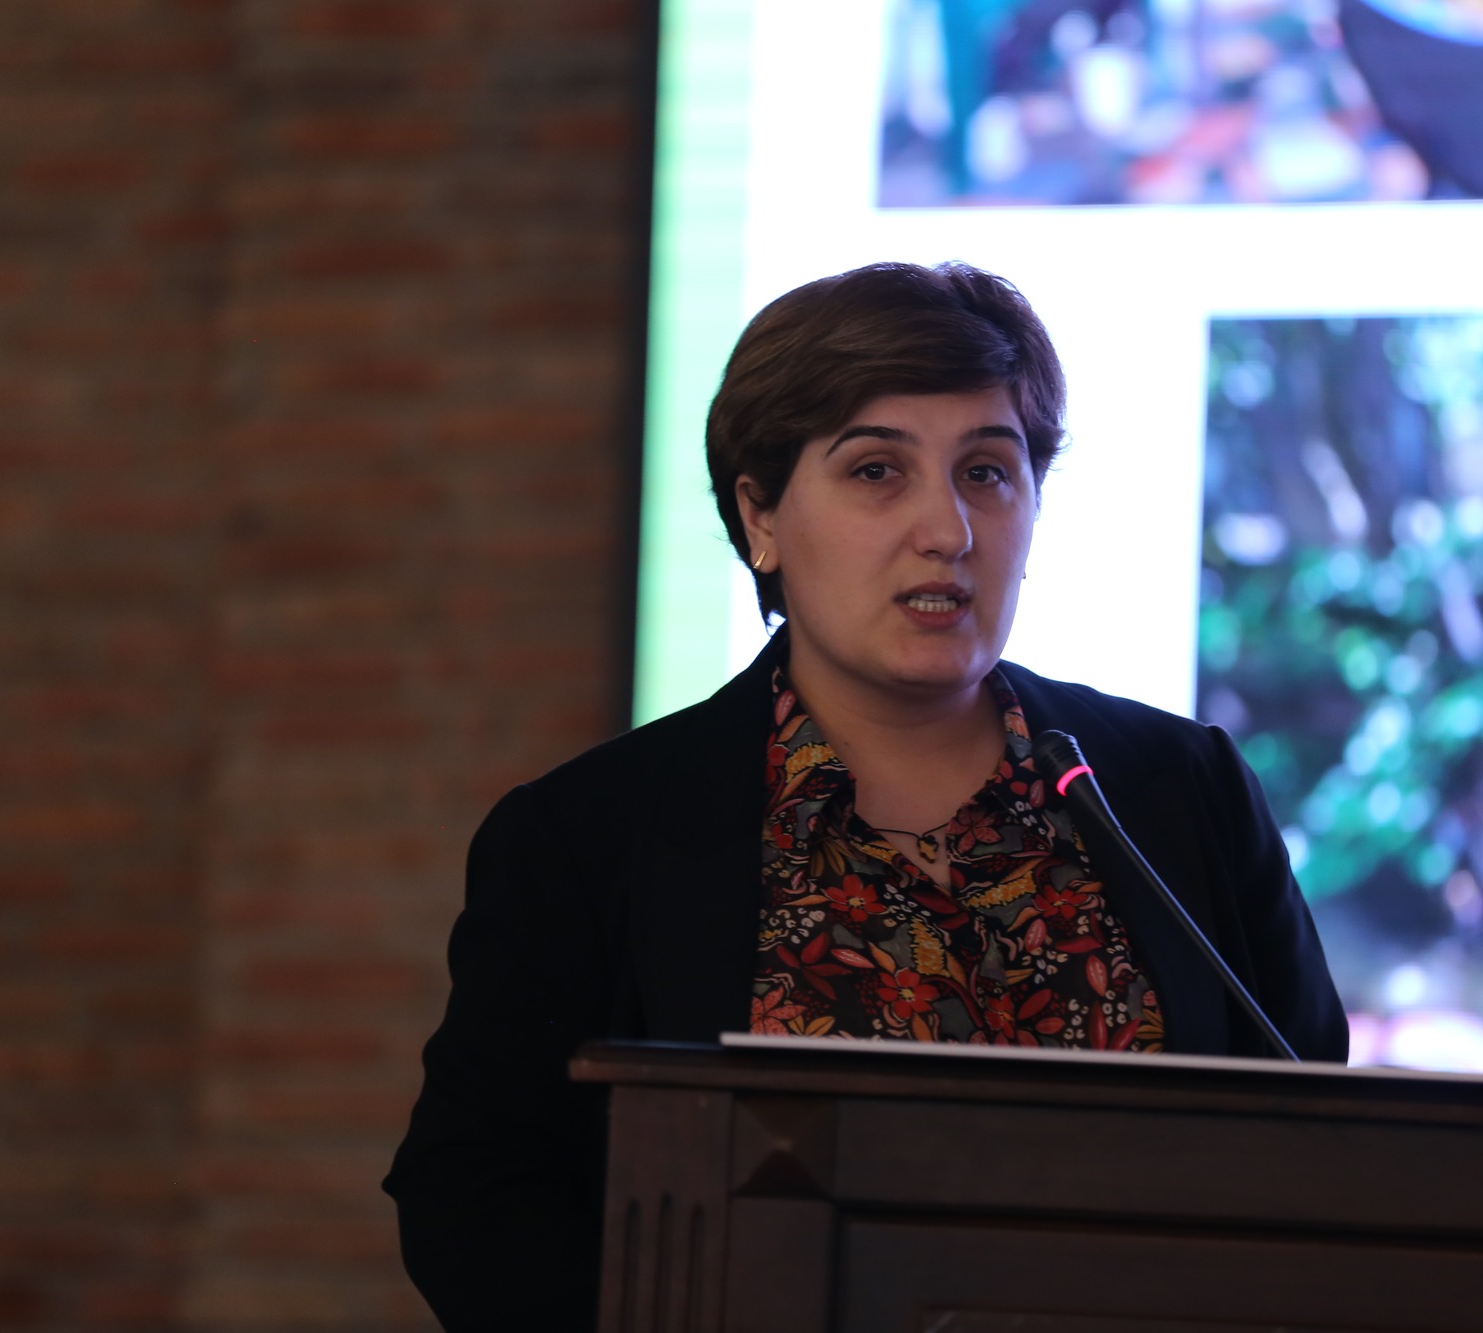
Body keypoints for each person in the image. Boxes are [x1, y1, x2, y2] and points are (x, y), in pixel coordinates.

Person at [383, 261, 1348, 1329]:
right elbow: (476, 1200)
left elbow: (1332, 1156)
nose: (948, 528)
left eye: (987, 472)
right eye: (877, 470)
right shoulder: (588, 837)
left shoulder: (1180, 789)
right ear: (759, 514)